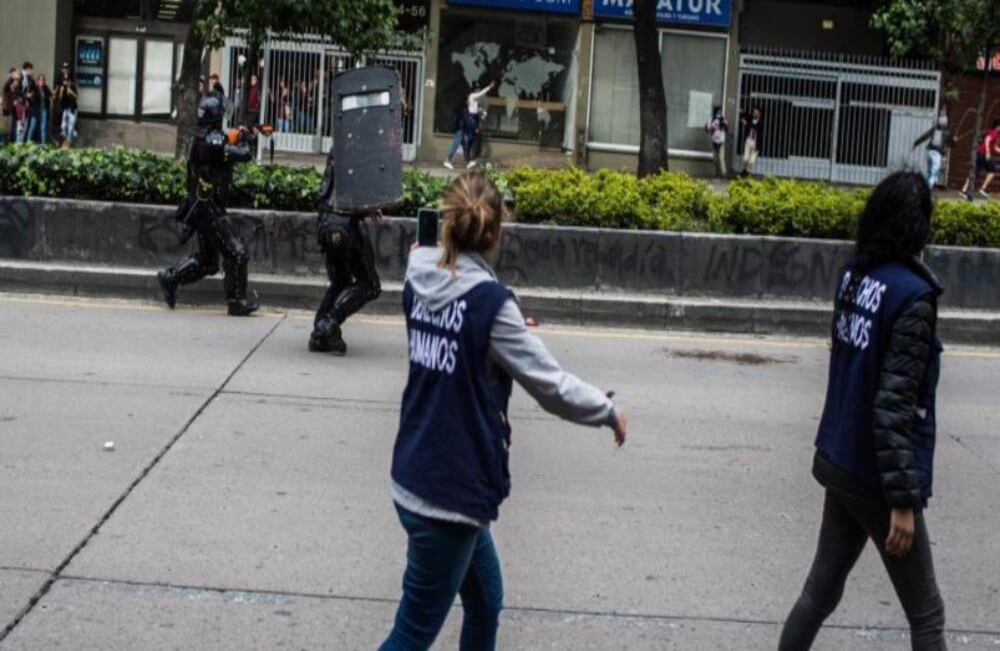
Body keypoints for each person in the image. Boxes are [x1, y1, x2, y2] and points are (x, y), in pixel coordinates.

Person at [379, 172, 629, 651]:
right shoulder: (490, 306)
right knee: (410, 635)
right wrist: (607, 410)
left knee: (486, 602)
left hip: (419, 474)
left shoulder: (418, 274)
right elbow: (550, 385)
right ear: (495, 236)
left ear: (446, 222)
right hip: (448, 495)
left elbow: (423, 250)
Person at [779, 171, 946, 650]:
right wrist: (901, 500)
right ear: (918, 226)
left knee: (820, 592)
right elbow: (895, 405)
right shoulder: (912, 296)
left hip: (841, 457)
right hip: (875, 475)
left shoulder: (856, 276)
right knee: (928, 614)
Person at [157, 92, 259, 316]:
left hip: (202, 206)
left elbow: (223, 143)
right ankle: (237, 302)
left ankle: (170, 278)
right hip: (209, 208)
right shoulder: (212, 142)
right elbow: (242, 154)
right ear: (215, 117)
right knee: (236, 253)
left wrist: (237, 135)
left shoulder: (203, 136)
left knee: (208, 261)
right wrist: (247, 139)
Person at [308, 145, 383, 355]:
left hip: (326, 223)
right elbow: (352, 188)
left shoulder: (340, 144)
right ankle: (329, 323)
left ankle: (319, 333)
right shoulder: (358, 145)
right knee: (370, 285)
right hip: (344, 226)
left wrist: (369, 208)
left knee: (340, 281)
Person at [961, 119, 1000, 201]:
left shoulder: (994, 133)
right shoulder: (994, 133)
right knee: (991, 170)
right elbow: (987, 140)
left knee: (976, 172)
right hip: (982, 154)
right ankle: (981, 189)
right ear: (998, 126)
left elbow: (995, 147)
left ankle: (964, 190)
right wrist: (988, 153)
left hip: (981, 154)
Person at [913, 113, 954, 189]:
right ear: (945, 123)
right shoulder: (947, 132)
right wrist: (954, 140)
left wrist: (916, 143)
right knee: (934, 174)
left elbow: (925, 136)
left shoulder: (934, 129)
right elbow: (952, 144)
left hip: (929, 152)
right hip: (937, 154)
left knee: (929, 173)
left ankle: (921, 186)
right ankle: (926, 189)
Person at [463, 81, 494, 169]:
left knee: (475, 139)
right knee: (474, 139)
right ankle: (471, 159)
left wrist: (482, 113)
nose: (478, 90)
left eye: (478, 88)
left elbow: (482, 110)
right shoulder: (473, 97)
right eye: (477, 89)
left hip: (476, 120)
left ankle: (472, 158)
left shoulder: (478, 98)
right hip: (473, 120)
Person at [443, 99, 469, 170]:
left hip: (462, 129)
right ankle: (447, 160)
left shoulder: (464, 109)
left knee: (466, 144)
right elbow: (463, 120)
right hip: (460, 129)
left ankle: (467, 162)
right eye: (469, 100)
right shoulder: (463, 110)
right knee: (455, 144)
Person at [55, 73, 78, 148]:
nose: (66, 82)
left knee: (71, 126)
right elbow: (60, 99)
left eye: (67, 80)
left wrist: (71, 91)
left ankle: (68, 142)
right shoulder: (62, 88)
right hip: (64, 108)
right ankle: (63, 142)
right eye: (64, 80)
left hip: (72, 109)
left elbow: (76, 96)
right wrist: (61, 91)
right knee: (64, 126)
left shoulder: (73, 87)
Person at [706, 105, 728, 178]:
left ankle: (723, 174)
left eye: (720, 112)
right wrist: (711, 128)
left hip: (721, 141)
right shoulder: (711, 119)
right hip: (714, 141)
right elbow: (707, 129)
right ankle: (717, 173)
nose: (718, 113)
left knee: (721, 158)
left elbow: (727, 129)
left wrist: (724, 123)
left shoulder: (723, 119)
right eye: (717, 111)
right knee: (715, 159)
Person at [741, 106, 763, 177]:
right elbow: (745, 115)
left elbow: (754, 128)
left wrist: (746, 124)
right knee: (745, 158)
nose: (754, 113)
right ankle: (744, 170)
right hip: (749, 140)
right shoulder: (751, 118)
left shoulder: (760, 122)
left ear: (759, 113)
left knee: (751, 161)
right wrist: (742, 111)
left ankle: (748, 174)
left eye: (755, 112)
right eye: (753, 112)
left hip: (755, 142)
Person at [19, 62, 39, 144]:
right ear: (27, 69)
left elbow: (33, 89)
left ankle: (24, 143)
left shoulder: (29, 78)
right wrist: (26, 95)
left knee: (26, 125)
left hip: (27, 105)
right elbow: (17, 90)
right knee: (21, 126)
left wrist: (34, 82)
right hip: (21, 105)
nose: (31, 71)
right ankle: (19, 144)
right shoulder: (21, 77)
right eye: (31, 70)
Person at [35, 74, 52, 145]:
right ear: (38, 81)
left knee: (43, 127)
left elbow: (51, 95)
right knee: (33, 127)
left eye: (43, 80)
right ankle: (29, 142)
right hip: (36, 110)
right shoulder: (35, 88)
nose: (41, 81)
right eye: (40, 80)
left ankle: (43, 143)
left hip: (44, 109)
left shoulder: (45, 88)